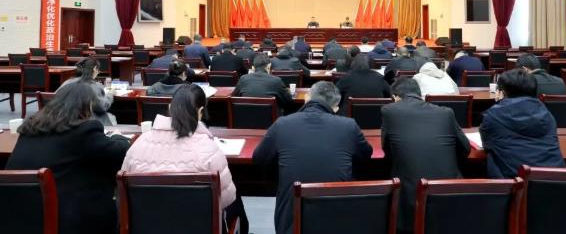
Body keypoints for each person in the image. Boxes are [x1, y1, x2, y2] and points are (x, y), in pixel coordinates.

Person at [6, 82, 130, 234]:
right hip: (65, 220)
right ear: (86, 107)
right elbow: (120, 152)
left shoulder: (29, 128)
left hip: (17, 217)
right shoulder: (84, 131)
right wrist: (118, 136)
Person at [121, 84, 245, 232]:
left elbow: (124, 196)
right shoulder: (208, 148)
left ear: (170, 107)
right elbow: (226, 199)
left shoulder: (139, 143)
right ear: (200, 112)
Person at [253, 81, 373, 234]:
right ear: (336, 107)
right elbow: (366, 155)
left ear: (307, 98)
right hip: (338, 219)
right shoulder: (349, 126)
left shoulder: (282, 124)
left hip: (291, 221)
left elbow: (259, 158)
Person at [382, 78, 471, 234]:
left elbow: (387, 149)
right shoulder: (446, 112)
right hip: (450, 190)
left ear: (395, 97)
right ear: (420, 94)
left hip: (410, 192)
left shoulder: (389, 111)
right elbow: (465, 148)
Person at [480, 69, 566, 178]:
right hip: (557, 179)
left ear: (503, 92)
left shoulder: (493, 116)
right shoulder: (547, 114)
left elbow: (486, 144)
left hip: (517, 182)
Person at [58, 56, 114, 126]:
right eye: (98, 70)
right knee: (111, 117)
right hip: (87, 124)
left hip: (64, 122)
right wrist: (109, 95)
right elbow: (101, 107)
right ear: (94, 69)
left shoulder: (67, 82)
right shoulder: (95, 86)